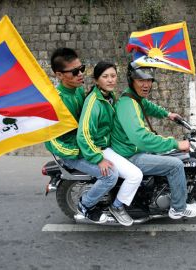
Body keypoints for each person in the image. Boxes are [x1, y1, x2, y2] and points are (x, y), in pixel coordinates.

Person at [111, 61, 196, 219]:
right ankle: (178, 208)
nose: (146, 84)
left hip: (131, 149)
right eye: (141, 80)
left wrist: (167, 114)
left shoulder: (134, 97)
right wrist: (176, 143)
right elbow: (141, 138)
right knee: (175, 165)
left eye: (149, 80)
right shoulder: (128, 104)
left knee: (170, 154)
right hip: (130, 154)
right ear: (131, 80)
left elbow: (147, 105)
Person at [45, 48, 115, 224]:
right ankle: (86, 205)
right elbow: (52, 141)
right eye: (75, 72)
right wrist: (81, 152)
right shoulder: (55, 102)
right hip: (73, 152)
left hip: (88, 145)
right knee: (110, 175)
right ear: (59, 75)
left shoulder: (77, 90)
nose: (80, 74)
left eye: (82, 68)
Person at [77, 61, 143, 226]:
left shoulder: (109, 96)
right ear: (96, 80)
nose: (110, 80)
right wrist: (98, 158)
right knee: (135, 175)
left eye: (113, 76)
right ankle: (113, 206)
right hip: (100, 148)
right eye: (105, 76)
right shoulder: (94, 103)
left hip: (110, 145)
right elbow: (84, 134)